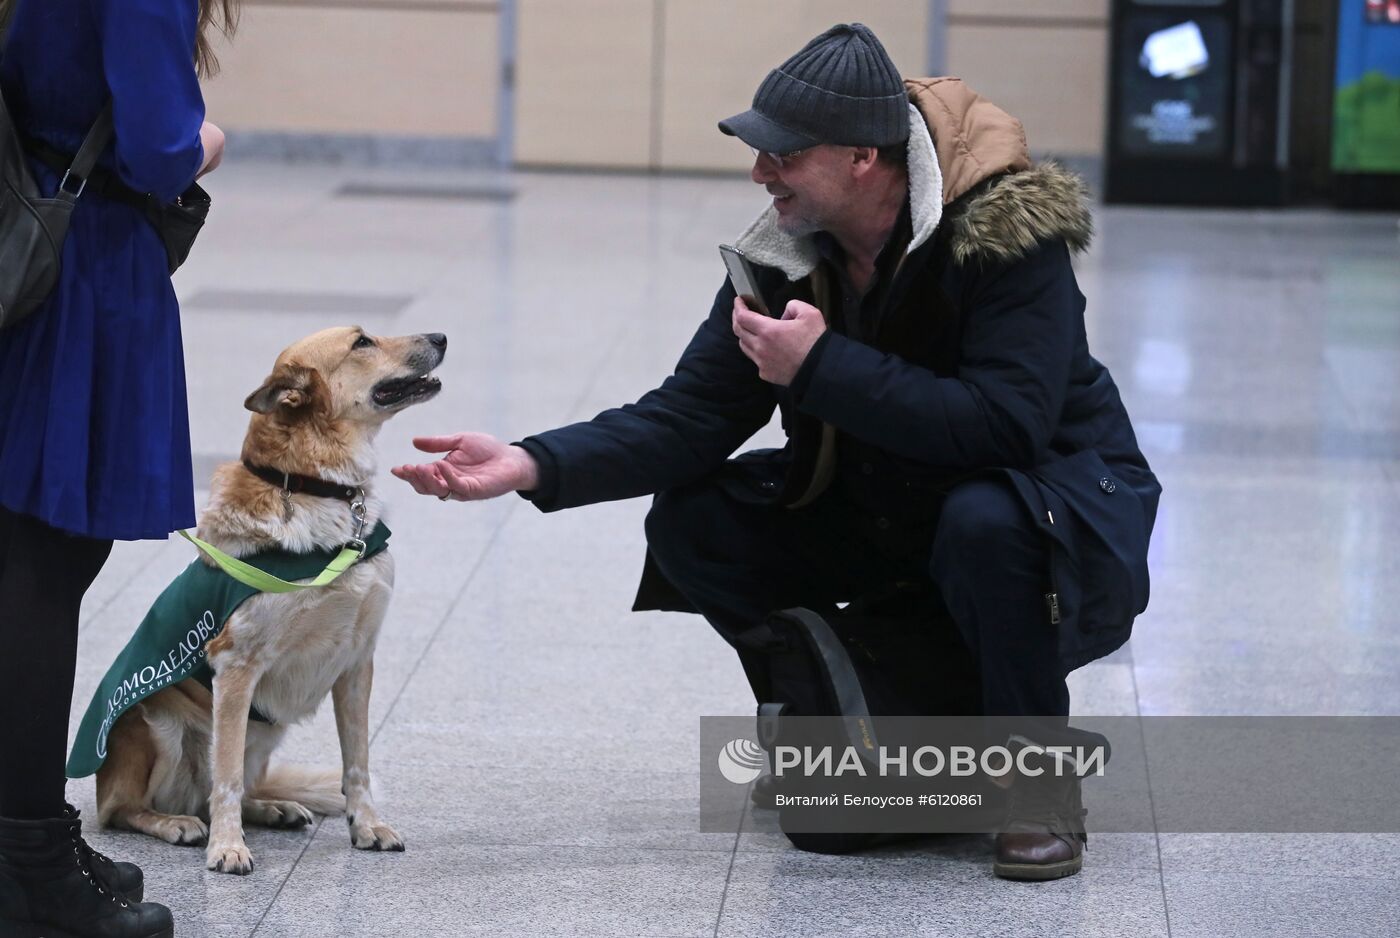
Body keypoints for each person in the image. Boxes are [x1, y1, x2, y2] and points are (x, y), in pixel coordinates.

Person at [393, 23, 1161, 881]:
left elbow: (1004, 427)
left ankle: (1034, 779)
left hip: (1054, 522)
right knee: (698, 519)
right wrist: (532, 462)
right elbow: (692, 416)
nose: (761, 173)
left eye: (784, 155)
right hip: (895, 504)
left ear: (864, 157)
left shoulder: (1007, 238)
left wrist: (824, 365)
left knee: (986, 520)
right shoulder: (783, 254)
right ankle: (834, 715)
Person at [0, 0, 236, 933]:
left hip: (20, 234)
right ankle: (27, 865)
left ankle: (26, 844)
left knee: (22, 553)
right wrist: (205, 140)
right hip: (76, 262)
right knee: (44, 567)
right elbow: (155, 144)